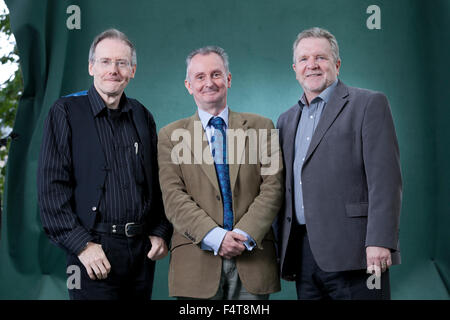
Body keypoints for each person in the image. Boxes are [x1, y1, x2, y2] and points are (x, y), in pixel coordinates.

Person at [37, 29, 172, 300]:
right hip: (92, 250)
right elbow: (51, 190)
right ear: (91, 67)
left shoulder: (142, 115)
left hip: (140, 251)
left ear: (132, 70)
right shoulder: (64, 112)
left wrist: (160, 231)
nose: (114, 70)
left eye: (122, 63)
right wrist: (82, 246)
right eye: (105, 61)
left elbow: (159, 182)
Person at [276, 27, 402, 300]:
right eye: (304, 59)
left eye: (320, 57)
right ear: (295, 68)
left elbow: (385, 181)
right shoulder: (286, 120)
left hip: (357, 252)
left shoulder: (368, 104)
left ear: (337, 63)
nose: (312, 65)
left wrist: (380, 241)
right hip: (303, 254)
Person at [157, 46, 283, 299]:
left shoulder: (262, 127)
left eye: (216, 74)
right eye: (200, 77)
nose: (209, 82)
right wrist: (215, 237)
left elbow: (273, 187)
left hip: (252, 258)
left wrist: (242, 235)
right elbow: (173, 197)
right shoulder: (169, 136)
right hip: (195, 264)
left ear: (228, 79)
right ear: (188, 85)